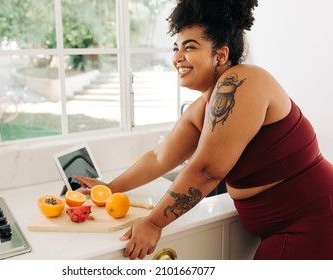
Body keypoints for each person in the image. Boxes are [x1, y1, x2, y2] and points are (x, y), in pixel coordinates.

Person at [75, 0, 333, 260]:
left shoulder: (242, 81)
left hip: (313, 219)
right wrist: (110, 187)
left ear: (220, 55)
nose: (177, 58)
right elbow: (159, 158)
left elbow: (208, 170)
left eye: (190, 47)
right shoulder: (203, 106)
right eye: (176, 48)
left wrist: (154, 223)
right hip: (286, 225)